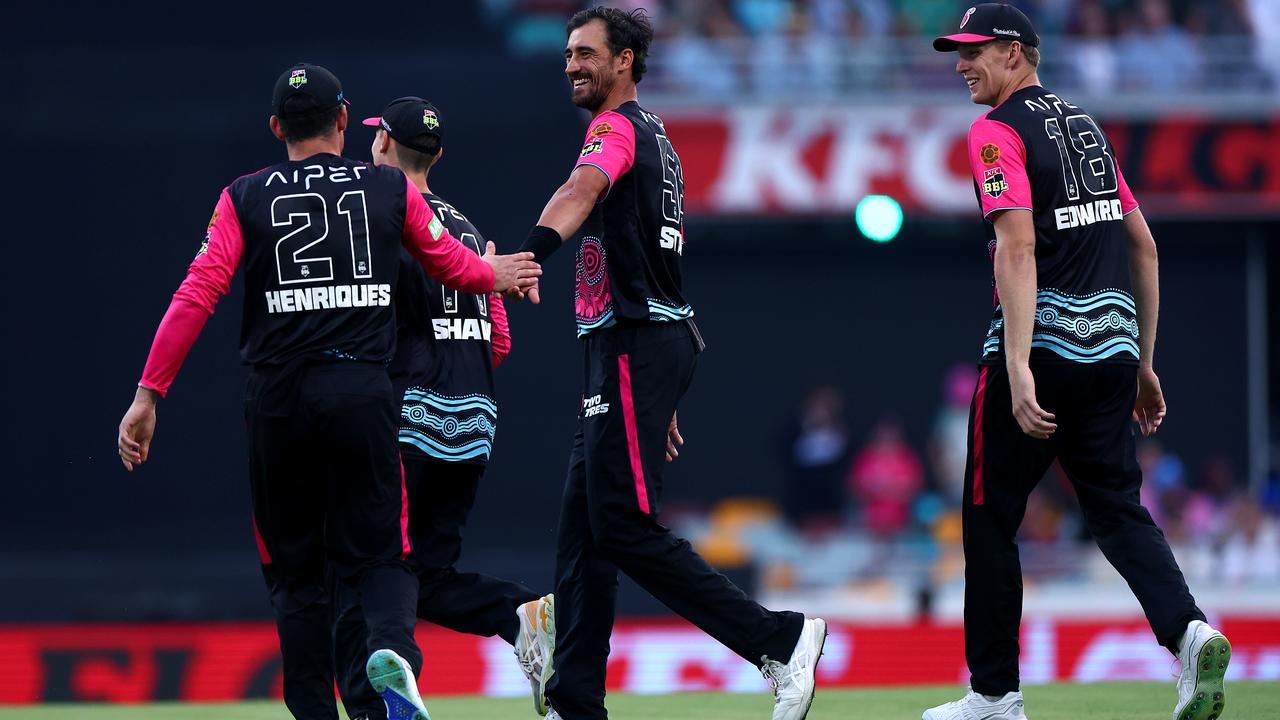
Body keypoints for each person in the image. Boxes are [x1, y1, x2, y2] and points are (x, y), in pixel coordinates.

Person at [114, 63, 540, 720]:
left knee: (295, 576)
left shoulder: (243, 196)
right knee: (385, 558)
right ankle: (393, 659)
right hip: (362, 396)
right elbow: (451, 265)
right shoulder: (389, 188)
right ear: (343, 119)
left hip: (277, 403)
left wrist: (149, 394)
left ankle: (317, 711)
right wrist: (496, 273)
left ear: (276, 127)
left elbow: (197, 294)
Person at [510, 8, 824, 719]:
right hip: (631, 348)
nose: (571, 64)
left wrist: (530, 255)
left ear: (625, 60)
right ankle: (575, 701)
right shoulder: (655, 134)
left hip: (634, 342)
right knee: (583, 531)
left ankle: (780, 640)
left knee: (621, 526)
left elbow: (579, 191)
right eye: (567, 53)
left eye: (586, 52)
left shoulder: (617, 128)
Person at [928, 6, 1229, 720]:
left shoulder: (995, 131)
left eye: (973, 51)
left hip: (1041, 349)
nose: (961, 65)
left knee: (989, 518)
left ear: (1014, 53)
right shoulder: (1088, 127)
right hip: (1113, 350)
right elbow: (1144, 245)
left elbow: (1018, 247)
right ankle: (1189, 634)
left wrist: (1019, 365)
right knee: (1117, 509)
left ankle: (995, 696)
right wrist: (1143, 362)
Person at [330, 96, 555, 720]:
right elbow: (498, 342)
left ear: (381, 144)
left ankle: (386, 688)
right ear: (438, 156)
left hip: (409, 415)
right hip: (475, 420)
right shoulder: (469, 230)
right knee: (425, 573)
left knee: (370, 565)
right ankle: (519, 614)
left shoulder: (383, 217)